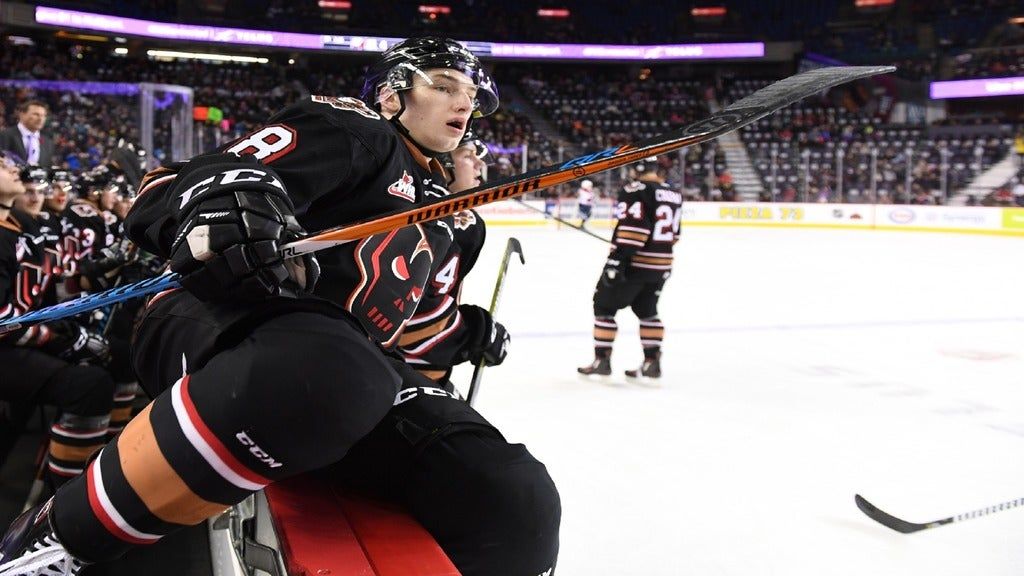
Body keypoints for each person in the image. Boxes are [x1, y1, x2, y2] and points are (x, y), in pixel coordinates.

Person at [0, 37, 557, 576]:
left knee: (512, 499)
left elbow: (408, 329)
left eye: (471, 96)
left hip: (344, 372)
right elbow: (168, 185)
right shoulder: (355, 130)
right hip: (219, 319)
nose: (464, 103)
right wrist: (227, 203)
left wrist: (468, 332)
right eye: (443, 85)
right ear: (391, 95)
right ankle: (53, 539)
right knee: (336, 368)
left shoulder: (441, 211)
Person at [0, 151, 115, 490]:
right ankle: (66, 501)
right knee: (91, 385)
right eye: (2, 165)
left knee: (102, 359)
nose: (12, 169)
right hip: (6, 344)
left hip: (16, 338)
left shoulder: (22, 226)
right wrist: (63, 339)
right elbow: (4, 319)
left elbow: (48, 291)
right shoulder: (9, 232)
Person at [577, 156, 683, 382]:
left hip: (635, 264)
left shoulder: (635, 190)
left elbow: (635, 231)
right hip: (662, 264)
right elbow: (675, 235)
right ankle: (652, 363)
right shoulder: (673, 193)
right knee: (648, 310)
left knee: (603, 306)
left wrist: (617, 259)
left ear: (639, 166)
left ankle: (602, 361)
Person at [0, 102, 54, 167]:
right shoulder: (4, 135)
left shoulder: (48, 142)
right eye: (36, 114)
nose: (40, 119)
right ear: (22, 114)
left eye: (43, 115)